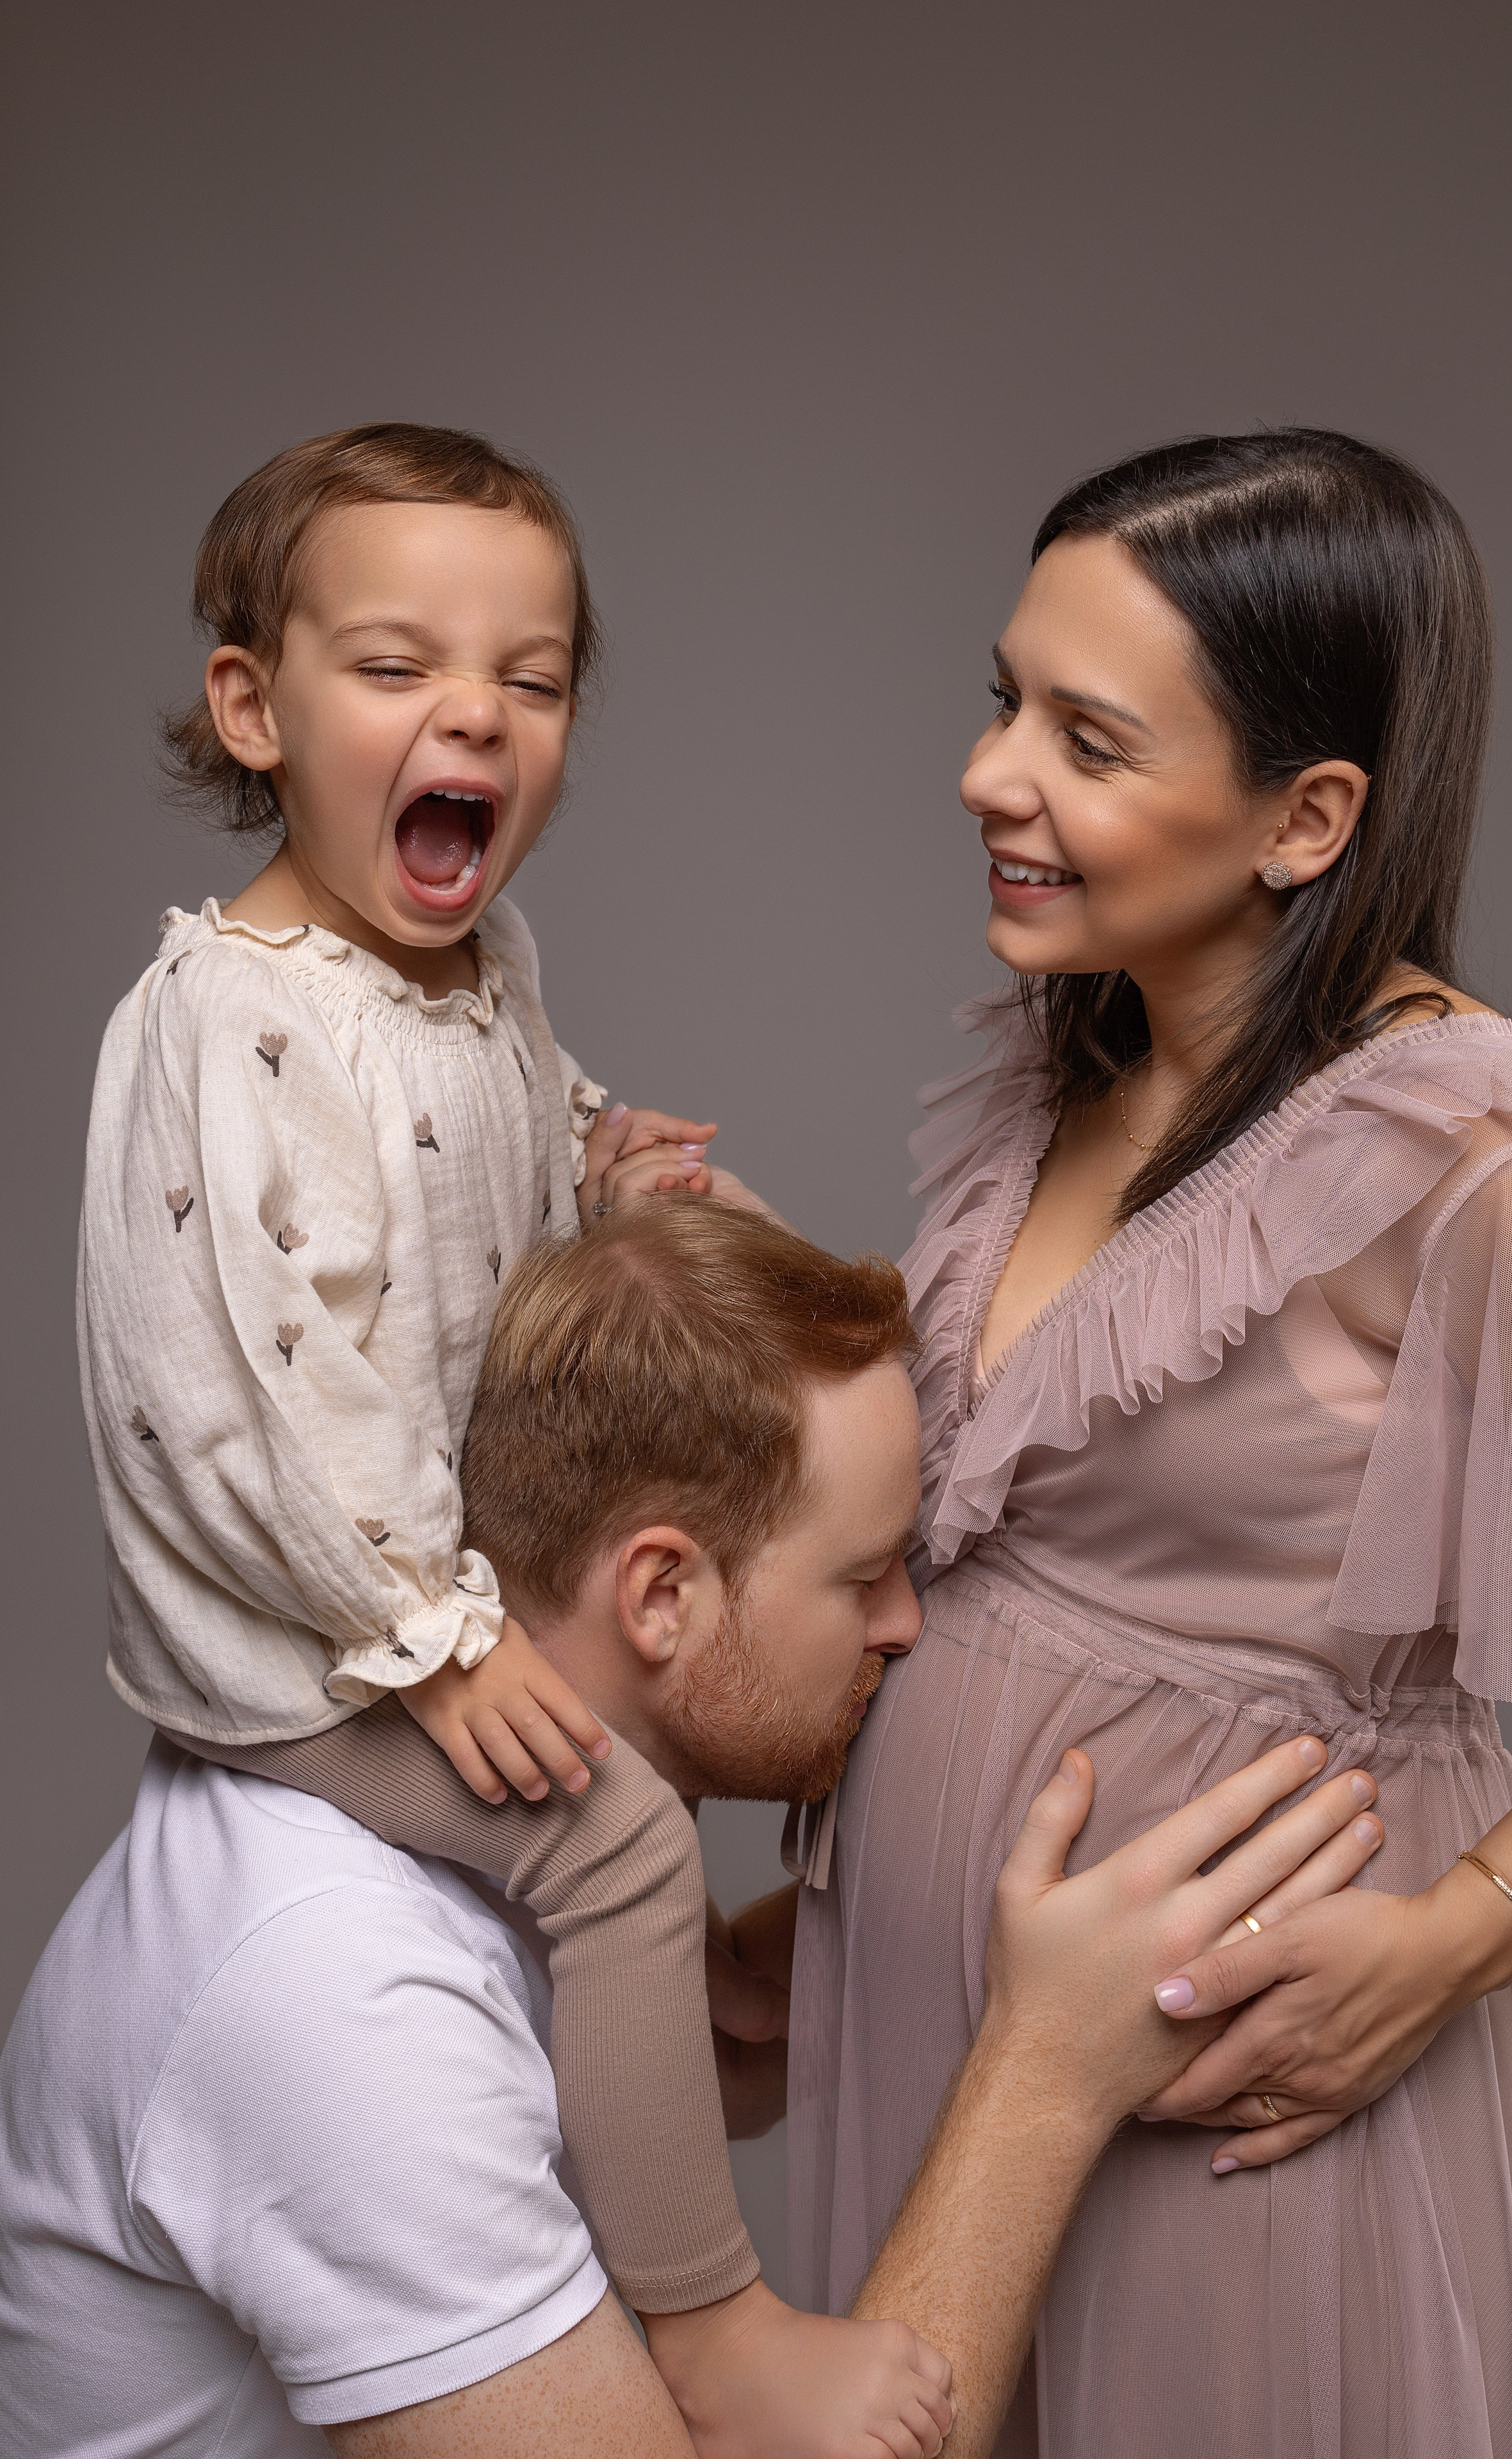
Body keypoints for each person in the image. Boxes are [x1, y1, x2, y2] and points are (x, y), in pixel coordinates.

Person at [1, 1199, 1386, 2457]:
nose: (904, 1626)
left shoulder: (499, 1865)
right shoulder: (339, 1990)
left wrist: (827, 1985)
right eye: (863, 1576)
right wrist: (1044, 2081)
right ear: (659, 1595)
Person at [73, 418, 929, 2451]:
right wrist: (432, 1637)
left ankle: (705, 2039)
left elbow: (486, 1155)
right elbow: (256, 1392)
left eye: (530, 683)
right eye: (394, 668)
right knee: (620, 1838)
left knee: (623, 1835)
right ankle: (712, 2331)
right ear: (251, 708)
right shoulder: (229, 1021)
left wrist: (600, 1164)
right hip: (300, 1644)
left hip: (413, 1596)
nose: (474, 711)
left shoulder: (470, 972)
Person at [788, 428, 1512, 2457]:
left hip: (1229, 2091)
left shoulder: (1485, 1162)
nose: (995, 776)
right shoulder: (1057, 1067)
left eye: (1090, 739)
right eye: (1006, 700)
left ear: (1308, 815)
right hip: (963, 2047)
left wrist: (1449, 1949)